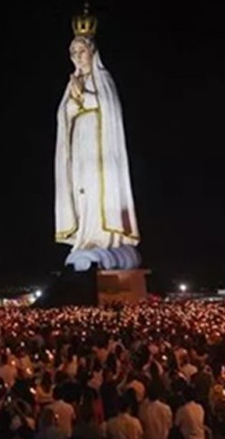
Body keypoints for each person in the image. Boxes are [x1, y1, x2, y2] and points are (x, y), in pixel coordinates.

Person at [54, 10, 140, 255]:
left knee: (98, 187)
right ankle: (86, 235)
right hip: (80, 144)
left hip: (100, 147)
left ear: (92, 52)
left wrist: (83, 97)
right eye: (73, 53)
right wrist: (75, 100)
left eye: (81, 52)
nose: (77, 57)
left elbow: (108, 107)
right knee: (82, 188)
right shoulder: (72, 83)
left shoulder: (102, 78)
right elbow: (63, 113)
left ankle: (104, 237)